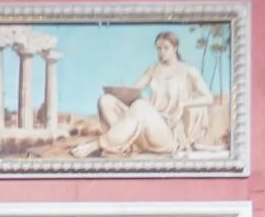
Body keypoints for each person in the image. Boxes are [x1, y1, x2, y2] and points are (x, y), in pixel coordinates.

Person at [73, 31, 215, 159]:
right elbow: (135, 90)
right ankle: (121, 144)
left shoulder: (189, 71)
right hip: (146, 126)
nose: (161, 52)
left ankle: (97, 144)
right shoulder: (153, 69)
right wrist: (120, 92)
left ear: (175, 48)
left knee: (141, 106)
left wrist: (183, 104)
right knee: (105, 101)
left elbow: (209, 98)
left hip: (167, 132)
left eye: (166, 48)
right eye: (158, 48)